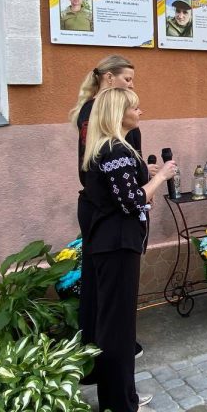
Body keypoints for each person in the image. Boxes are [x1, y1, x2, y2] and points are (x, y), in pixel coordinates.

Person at [82, 87, 176, 412]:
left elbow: (119, 193)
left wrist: (143, 178)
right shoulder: (116, 150)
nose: (140, 112)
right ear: (118, 113)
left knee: (112, 325)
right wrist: (161, 178)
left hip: (109, 242)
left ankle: (119, 398)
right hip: (118, 245)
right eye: (134, 108)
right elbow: (131, 201)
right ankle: (122, 404)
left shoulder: (106, 148)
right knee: (118, 329)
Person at [68, 55, 146, 377]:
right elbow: (122, 191)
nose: (131, 85)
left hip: (108, 207)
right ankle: (105, 357)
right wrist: (149, 180)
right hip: (110, 215)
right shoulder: (100, 116)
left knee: (105, 290)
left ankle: (103, 356)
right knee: (107, 294)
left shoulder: (102, 116)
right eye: (127, 79)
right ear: (109, 78)